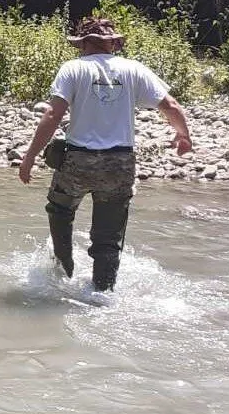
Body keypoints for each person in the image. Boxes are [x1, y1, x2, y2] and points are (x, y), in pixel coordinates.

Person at [17, 16, 193, 292]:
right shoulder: (133, 69)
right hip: (119, 164)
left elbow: (53, 115)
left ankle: (63, 274)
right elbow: (170, 106)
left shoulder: (72, 69)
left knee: (60, 210)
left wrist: (29, 158)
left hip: (78, 161)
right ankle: (102, 291)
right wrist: (183, 135)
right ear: (112, 43)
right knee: (109, 237)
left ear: (83, 43)